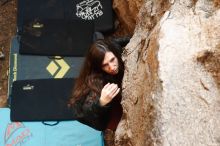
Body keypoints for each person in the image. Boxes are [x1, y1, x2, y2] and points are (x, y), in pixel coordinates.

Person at [68, 37, 129, 145]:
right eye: (105, 65)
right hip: (106, 115)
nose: (112, 67)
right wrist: (101, 103)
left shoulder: (113, 48)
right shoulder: (97, 82)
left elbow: (118, 42)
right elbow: (88, 113)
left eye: (112, 60)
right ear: (98, 67)